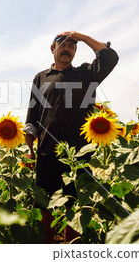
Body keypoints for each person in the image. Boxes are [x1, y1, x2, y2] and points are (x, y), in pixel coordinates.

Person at [23, 31, 119, 243]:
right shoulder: (41, 78)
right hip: (47, 151)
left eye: (73, 46)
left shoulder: (86, 74)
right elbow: (33, 116)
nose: (68, 49)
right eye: (63, 45)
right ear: (53, 49)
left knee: (75, 207)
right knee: (44, 206)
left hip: (79, 153)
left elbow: (110, 57)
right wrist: (29, 151)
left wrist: (82, 37)